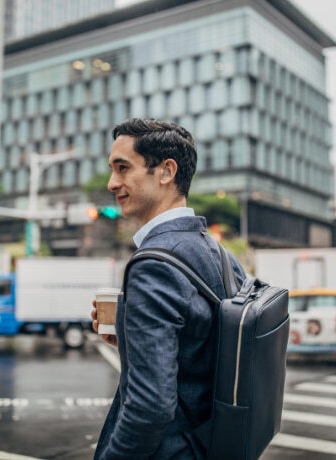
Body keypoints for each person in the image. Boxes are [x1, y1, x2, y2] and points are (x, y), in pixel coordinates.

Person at [91, 118, 245, 459]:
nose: (111, 182)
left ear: (165, 172)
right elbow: (202, 353)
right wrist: (131, 336)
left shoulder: (153, 266)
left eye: (122, 168)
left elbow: (150, 409)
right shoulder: (221, 256)